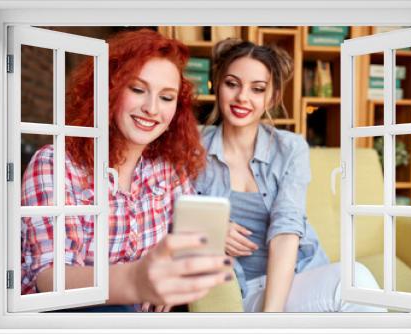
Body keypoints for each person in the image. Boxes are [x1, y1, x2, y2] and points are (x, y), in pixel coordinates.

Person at [20, 29, 233, 313]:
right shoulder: (55, 165)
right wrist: (137, 280)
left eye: (167, 97)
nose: (152, 108)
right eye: (137, 89)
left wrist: (179, 279)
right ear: (109, 91)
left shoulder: (169, 172)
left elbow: (189, 249)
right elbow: (50, 277)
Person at [195, 39, 385, 312]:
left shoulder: (290, 147)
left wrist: (270, 318)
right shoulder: (193, 146)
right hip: (240, 288)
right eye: (232, 83)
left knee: (357, 281)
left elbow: (287, 227)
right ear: (217, 85)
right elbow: (167, 209)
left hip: (296, 279)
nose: (242, 97)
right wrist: (209, 229)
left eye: (257, 89)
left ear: (271, 97)